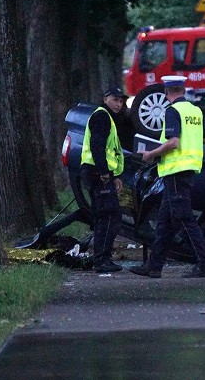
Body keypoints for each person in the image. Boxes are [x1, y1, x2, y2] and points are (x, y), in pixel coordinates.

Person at [130, 75, 205, 279]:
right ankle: (154, 266)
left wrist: (151, 154)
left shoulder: (172, 111)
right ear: (184, 91)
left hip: (176, 171)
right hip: (187, 170)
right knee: (164, 222)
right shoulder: (195, 111)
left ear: (167, 93)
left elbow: (174, 143)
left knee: (184, 219)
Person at [80, 86, 127, 273]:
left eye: (121, 101)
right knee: (110, 216)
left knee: (106, 216)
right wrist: (104, 172)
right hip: (97, 173)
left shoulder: (107, 117)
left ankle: (101, 258)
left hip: (99, 173)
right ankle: (101, 260)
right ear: (105, 99)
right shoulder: (101, 116)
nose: (119, 104)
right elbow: (97, 145)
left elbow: (108, 150)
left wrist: (113, 175)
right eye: (115, 100)